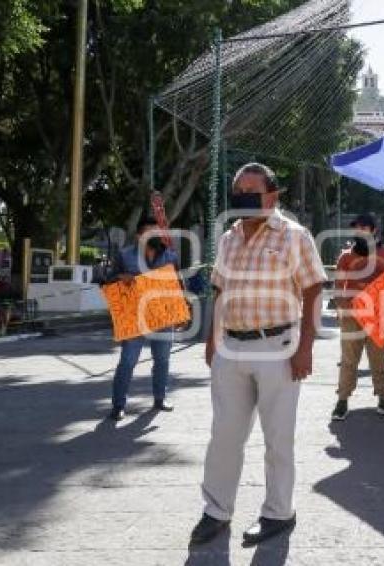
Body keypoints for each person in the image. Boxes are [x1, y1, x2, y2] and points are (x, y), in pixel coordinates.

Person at [190, 163, 326, 546]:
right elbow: (219, 290)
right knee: (224, 436)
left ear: (272, 194)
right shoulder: (229, 238)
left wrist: (305, 349)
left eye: (252, 190)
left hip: (279, 346)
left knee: (278, 438)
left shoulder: (294, 236)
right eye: (239, 191)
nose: (244, 197)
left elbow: (315, 290)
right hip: (231, 347)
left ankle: (278, 513)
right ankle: (216, 511)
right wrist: (212, 340)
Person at [331, 213, 384, 420]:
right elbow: (338, 286)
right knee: (348, 360)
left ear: (373, 230)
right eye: (356, 227)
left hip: (379, 317)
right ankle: (342, 401)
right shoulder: (346, 256)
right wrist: (341, 308)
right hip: (352, 317)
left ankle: (383, 400)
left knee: (379, 361)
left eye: (364, 227)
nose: (359, 231)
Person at [107, 215, 179, 421]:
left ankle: (160, 398)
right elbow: (108, 279)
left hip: (162, 315)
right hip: (133, 316)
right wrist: (121, 277)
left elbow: (177, 285)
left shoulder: (170, 256)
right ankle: (118, 405)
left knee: (162, 359)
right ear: (139, 235)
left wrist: (181, 313)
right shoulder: (124, 255)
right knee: (128, 361)